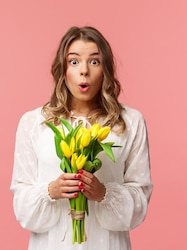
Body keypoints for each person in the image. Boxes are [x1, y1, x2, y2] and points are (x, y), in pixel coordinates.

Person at [10, 26, 153, 250]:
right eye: (74, 62)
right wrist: (51, 191)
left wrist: (104, 193)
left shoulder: (129, 122)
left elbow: (140, 202)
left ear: (105, 69)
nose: (84, 71)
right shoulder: (34, 123)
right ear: (63, 69)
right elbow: (22, 207)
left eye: (94, 61)